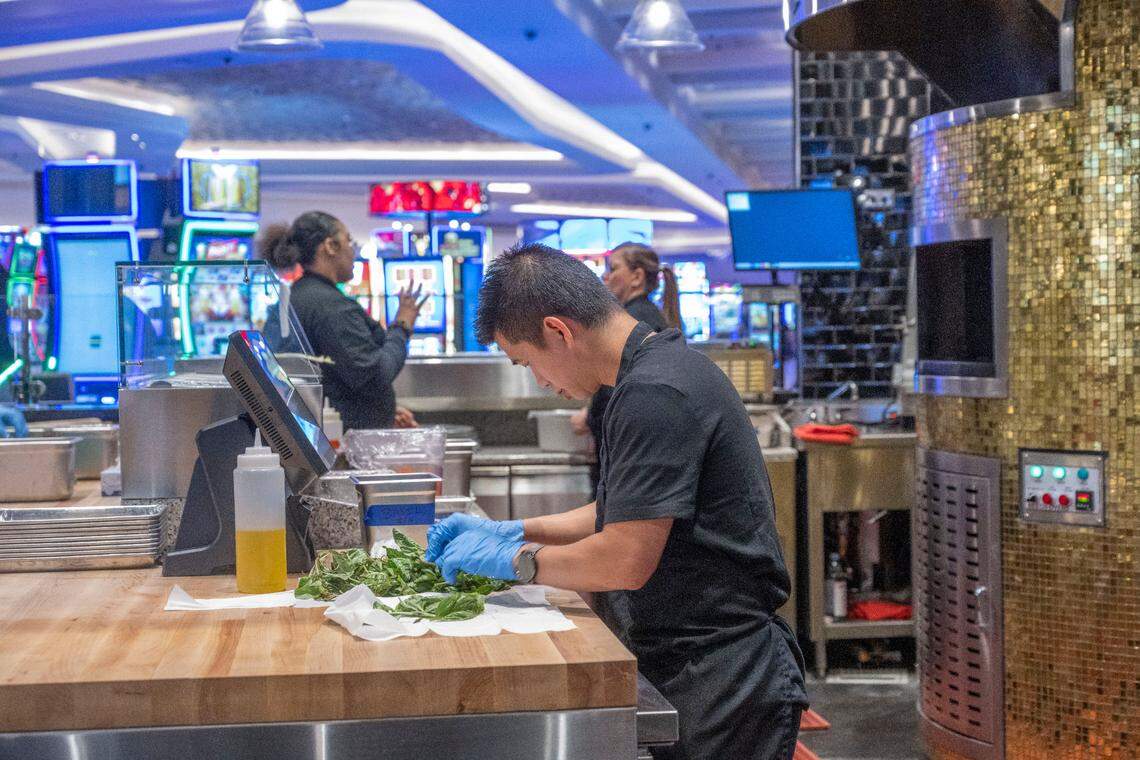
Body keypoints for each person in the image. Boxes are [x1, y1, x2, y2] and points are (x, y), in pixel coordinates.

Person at [426, 244, 807, 760]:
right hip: (690, 657)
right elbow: (620, 510)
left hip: (721, 674)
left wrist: (517, 562)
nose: (541, 382)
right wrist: (514, 530)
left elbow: (624, 558)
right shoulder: (654, 371)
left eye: (528, 362)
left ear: (558, 332)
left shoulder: (655, 392)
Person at [260, 212, 425, 430]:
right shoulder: (330, 307)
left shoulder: (295, 297)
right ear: (330, 246)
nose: (353, 250)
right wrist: (402, 326)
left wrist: (373, 409)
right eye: (349, 241)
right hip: (342, 442)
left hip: (318, 429)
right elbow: (375, 374)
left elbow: (336, 376)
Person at [570, 242, 681, 486]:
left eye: (614, 268)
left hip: (630, 461)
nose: (606, 276)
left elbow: (624, 391)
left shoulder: (631, 324)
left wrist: (591, 418)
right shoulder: (647, 316)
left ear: (637, 277)